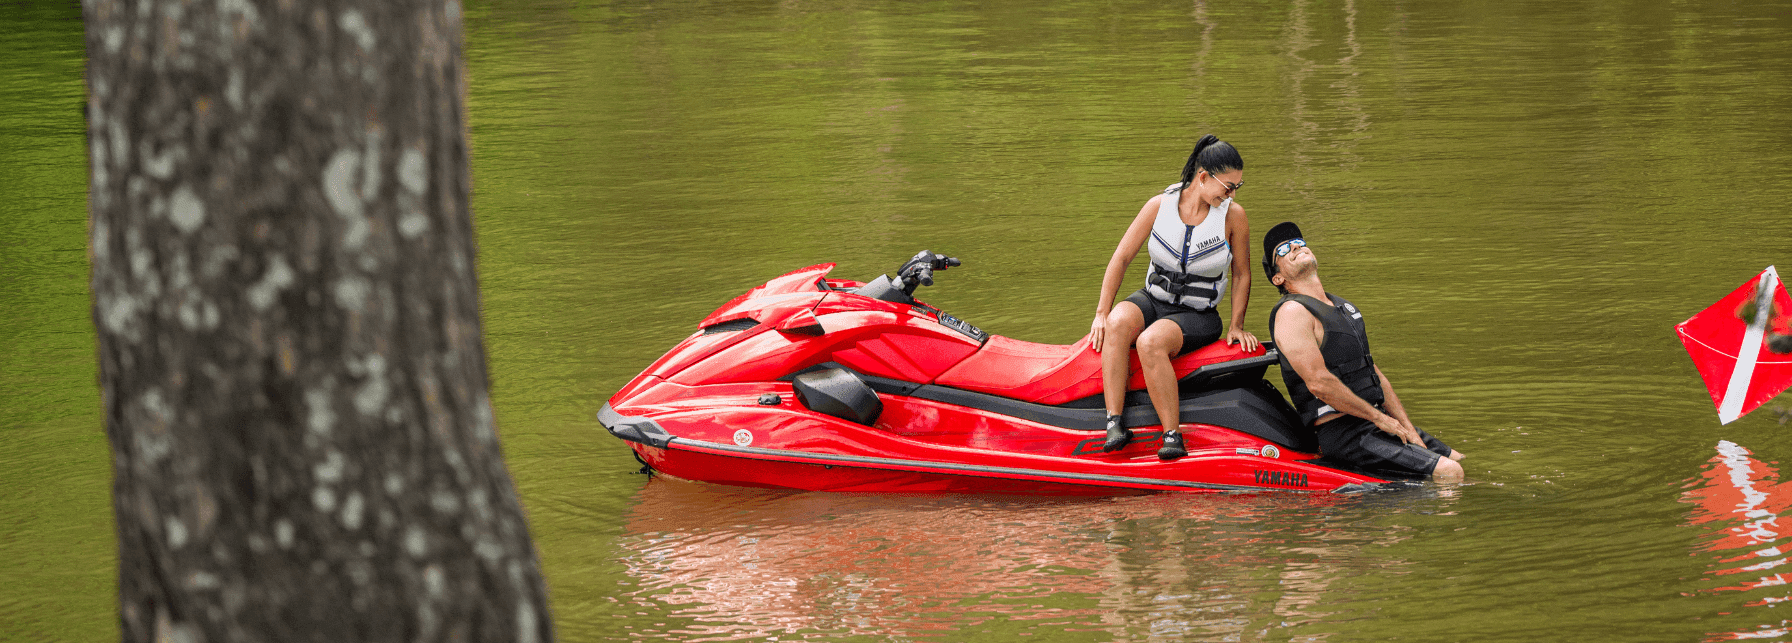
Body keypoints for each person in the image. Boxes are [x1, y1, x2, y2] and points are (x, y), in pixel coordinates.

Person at [1090, 135, 1259, 461]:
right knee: (1117, 323)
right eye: (1228, 186)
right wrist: (1101, 312)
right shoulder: (1159, 205)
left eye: (1238, 186)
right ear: (1203, 177)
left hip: (1197, 315)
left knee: (1150, 342)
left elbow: (1242, 274)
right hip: (1153, 300)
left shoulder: (1233, 216)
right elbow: (1121, 258)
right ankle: (1114, 424)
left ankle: (1172, 435)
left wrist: (1237, 325)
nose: (1232, 194)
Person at [1260, 222, 1466, 481]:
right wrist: (1380, 419)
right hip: (1345, 433)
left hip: (1374, 421)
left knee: (1457, 459)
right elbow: (1318, 383)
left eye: (1301, 243)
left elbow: (1373, 372)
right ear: (1278, 277)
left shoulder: (1341, 307)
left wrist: (1407, 427)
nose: (1297, 248)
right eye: (1285, 249)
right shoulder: (1292, 313)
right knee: (1450, 472)